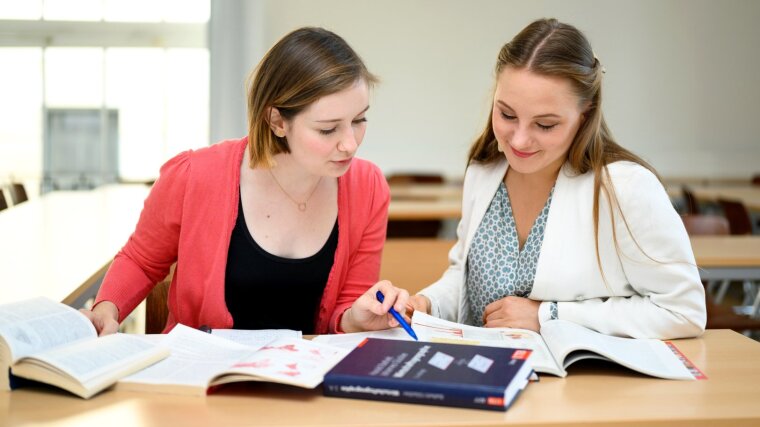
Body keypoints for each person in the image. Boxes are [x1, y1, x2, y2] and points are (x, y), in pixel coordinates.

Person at [81, 27, 409, 336]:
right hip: (200, 380)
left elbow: (344, 310)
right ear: (277, 120)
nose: (350, 143)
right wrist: (108, 309)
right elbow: (142, 260)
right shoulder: (195, 175)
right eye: (328, 129)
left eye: (359, 120)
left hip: (304, 385)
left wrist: (356, 318)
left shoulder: (367, 187)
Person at [407, 18, 706, 339]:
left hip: (581, 385)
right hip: (489, 373)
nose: (519, 141)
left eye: (545, 124)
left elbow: (683, 311)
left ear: (585, 115)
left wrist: (549, 315)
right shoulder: (485, 170)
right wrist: (426, 304)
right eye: (506, 114)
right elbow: (464, 278)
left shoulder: (626, 187)